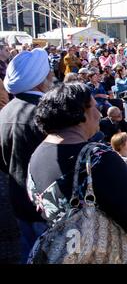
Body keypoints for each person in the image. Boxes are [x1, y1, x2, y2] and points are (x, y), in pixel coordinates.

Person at [28, 83, 127, 263]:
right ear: (80, 113)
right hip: (109, 253)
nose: (99, 113)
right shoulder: (99, 158)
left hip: (65, 251)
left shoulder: (35, 156)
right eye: (94, 106)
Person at [0, 48, 55, 263]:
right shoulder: (45, 112)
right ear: (40, 79)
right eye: (48, 71)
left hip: (18, 201)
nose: (51, 75)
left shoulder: (5, 112)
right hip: (45, 207)